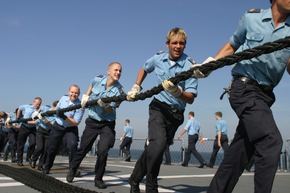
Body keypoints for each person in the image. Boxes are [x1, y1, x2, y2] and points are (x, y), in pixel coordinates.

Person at [192, 1, 290, 192]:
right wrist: (210, 66)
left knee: (240, 152)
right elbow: (232, 46)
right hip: (244, 88)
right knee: (271, 141)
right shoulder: (251, 18)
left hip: (265, 96)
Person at [127, 27, 198, 193]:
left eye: (181, 43)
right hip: (158, 108)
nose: (178, 46)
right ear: (167, 44)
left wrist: (178, 92)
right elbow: (145, 68)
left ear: (185, 45)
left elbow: (191, 98)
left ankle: (134, 178)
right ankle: (151, 187)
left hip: (175, 115)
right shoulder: (158, 58)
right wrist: (137, 85)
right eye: (174, 43)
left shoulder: (190, 66)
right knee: (157, 147)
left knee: (154, 149)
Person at [66, 62, 125, 189]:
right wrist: (86, 97)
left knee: (103, 151)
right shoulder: (97, 79)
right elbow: (91, 86)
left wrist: (105, 105)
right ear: (108, 71)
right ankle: (73, 169)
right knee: (84, 148)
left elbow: (113, 109)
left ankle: (98, 178)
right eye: (115, 70)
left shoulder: (120, 91)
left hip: (107, 124)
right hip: (92, 121)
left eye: (120, 71)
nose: (118, 73)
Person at [43, 85, 84, 174]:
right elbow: (57, 109)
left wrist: (64, 117)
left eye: (76, 93)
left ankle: (73, 170)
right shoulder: (63, 98)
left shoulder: (80, 106)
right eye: (72, 92)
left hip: (70, 129)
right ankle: (47, 166)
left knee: (72, 145)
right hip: (57, 126)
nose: (74, 94)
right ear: (68, 92)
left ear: (79, 94)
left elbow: (76, 122)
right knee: (52, 147)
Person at [16, 97, 47, 166]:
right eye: (37, 104)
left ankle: (29, 157)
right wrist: (18, 117)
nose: (38, 106)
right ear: (34, 102)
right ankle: (19, 160)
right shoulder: (27, 106)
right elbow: (19, 108)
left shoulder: (40, 111)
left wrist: (27, 121)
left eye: (39, 104)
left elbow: (37, 122)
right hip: (24, 127)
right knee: (21, 144)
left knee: (33, 143)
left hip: (32, 128)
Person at [29, 100, 58, 171]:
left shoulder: (57, 115)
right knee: (40, 148)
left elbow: (51, 125)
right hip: (41, 131)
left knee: (45, 150)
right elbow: (39, 110)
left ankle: (40, 165)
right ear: (54, 106)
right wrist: (37, 113)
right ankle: (33, 159)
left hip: (48, 132)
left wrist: (43, 119)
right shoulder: (46, 108)